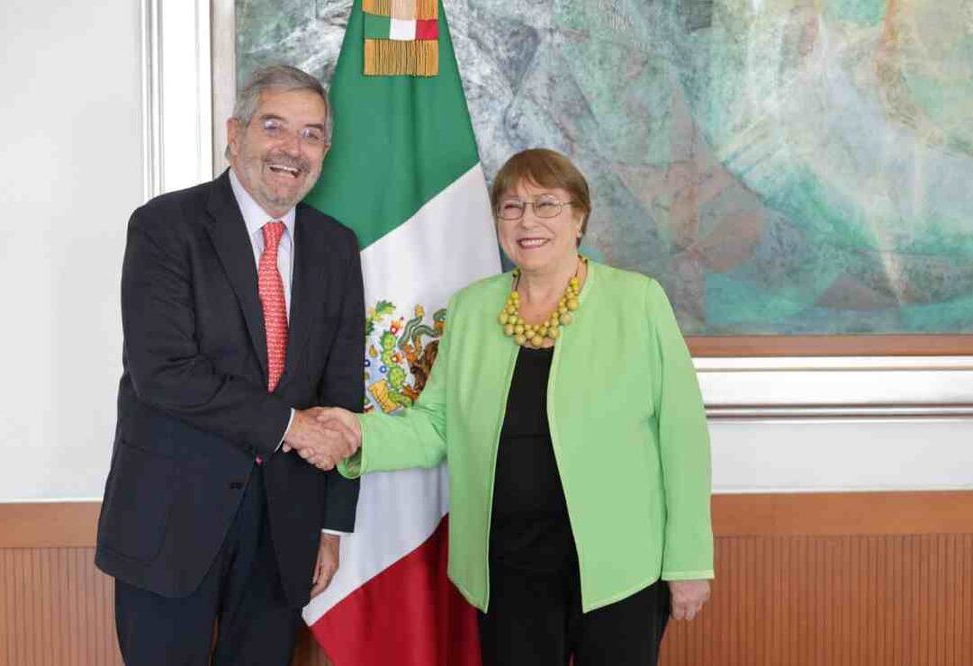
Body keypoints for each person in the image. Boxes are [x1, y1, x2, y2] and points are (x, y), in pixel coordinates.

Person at [320, 148, 714, 666]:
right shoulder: (471, 309)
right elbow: (435, 425)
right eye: (511, 207)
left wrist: (687, 562)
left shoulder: (637, 301)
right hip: (507, 568)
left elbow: (681, 436)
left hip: (621, 568)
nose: (527, 220)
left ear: (579, 217)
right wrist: (357, 435)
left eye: (546, 204)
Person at [95, 64, 364, 666]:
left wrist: (330, 525)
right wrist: (292, 426)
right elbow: (163, 371)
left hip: (285, 532)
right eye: (275, 126)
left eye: (312, 134)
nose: (292, 149)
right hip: (168, 523)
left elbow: (344, 389)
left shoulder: (336, 246)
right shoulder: (166, 226)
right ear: (234, 132)